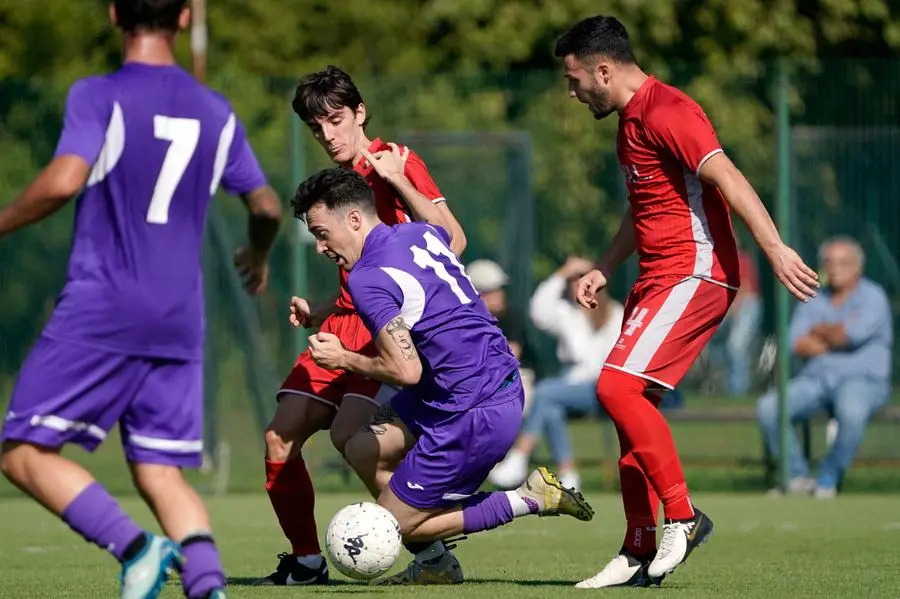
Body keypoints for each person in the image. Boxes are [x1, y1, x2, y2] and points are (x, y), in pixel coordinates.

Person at [0, 2, 282, 598]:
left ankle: (137, 548)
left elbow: (63, 179)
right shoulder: (216, 109)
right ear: (183, 17)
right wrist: (257, 257)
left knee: (22, 449)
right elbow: (266, 206)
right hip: (181, 318)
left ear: (112, 14)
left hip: (105, 306)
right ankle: (207, 584)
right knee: (158, 469)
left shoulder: (98, 94)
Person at [554, 15, 819, 587]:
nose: (572, 93)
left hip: (696, 273)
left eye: (575, 81)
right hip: (658, 278)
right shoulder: (629, 124)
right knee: (630, 409)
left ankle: (682, 515)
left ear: (604, 69)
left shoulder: (669, 109)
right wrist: (604, 266)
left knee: (615, 386)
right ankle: (636, 547)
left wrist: (773, 250)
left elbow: (729, 177)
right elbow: (642, 208)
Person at [293, 168, 594, 585]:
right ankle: (435, 561)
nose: (321, 247)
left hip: (474, 410)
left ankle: (528, 499)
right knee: (362, 448)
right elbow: (448, 230)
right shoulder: (416, 234)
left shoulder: (367, 277)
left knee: (389, 528)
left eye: (323, 233)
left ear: (356, 220)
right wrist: (400, 180)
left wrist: (344, 357)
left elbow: (404, 369)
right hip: (461, 391)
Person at [257, 65, 467, 586]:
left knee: (354, 440)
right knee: (279, 441)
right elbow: (362, 276)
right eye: (316, 126)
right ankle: (306, 563)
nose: (327, 134)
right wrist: (323, 310)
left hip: (385, 331)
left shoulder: (395, 161)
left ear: (360, 113)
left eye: (335, 119)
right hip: (344, 325)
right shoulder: (337, 188)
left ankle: (435, 547)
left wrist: (396, 176)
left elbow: (453, 242)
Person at [757, 236, 892, 498]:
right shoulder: (813, 296)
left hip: (862, 380)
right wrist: (835, 335)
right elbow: (795, 343)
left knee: (851, 411)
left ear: (858, 267)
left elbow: (848, 336)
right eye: (828, 262)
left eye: (843, 262)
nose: (834, 268)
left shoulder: (873, 296)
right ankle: (797, 477)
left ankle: (828, 476)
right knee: (769, 408)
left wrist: (819, 332)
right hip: (816, 380)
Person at [489, 256, 624, 491]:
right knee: (549, 408)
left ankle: (520, 455)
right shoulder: (566, 313)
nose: (576, 284)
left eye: (581, 279)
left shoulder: (615, 313)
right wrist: (562, 272)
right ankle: (568, 474)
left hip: (603, 389)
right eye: (572, 280)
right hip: (569, 388)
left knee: (544, 391)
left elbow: (607, 365)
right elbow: (539, 310)